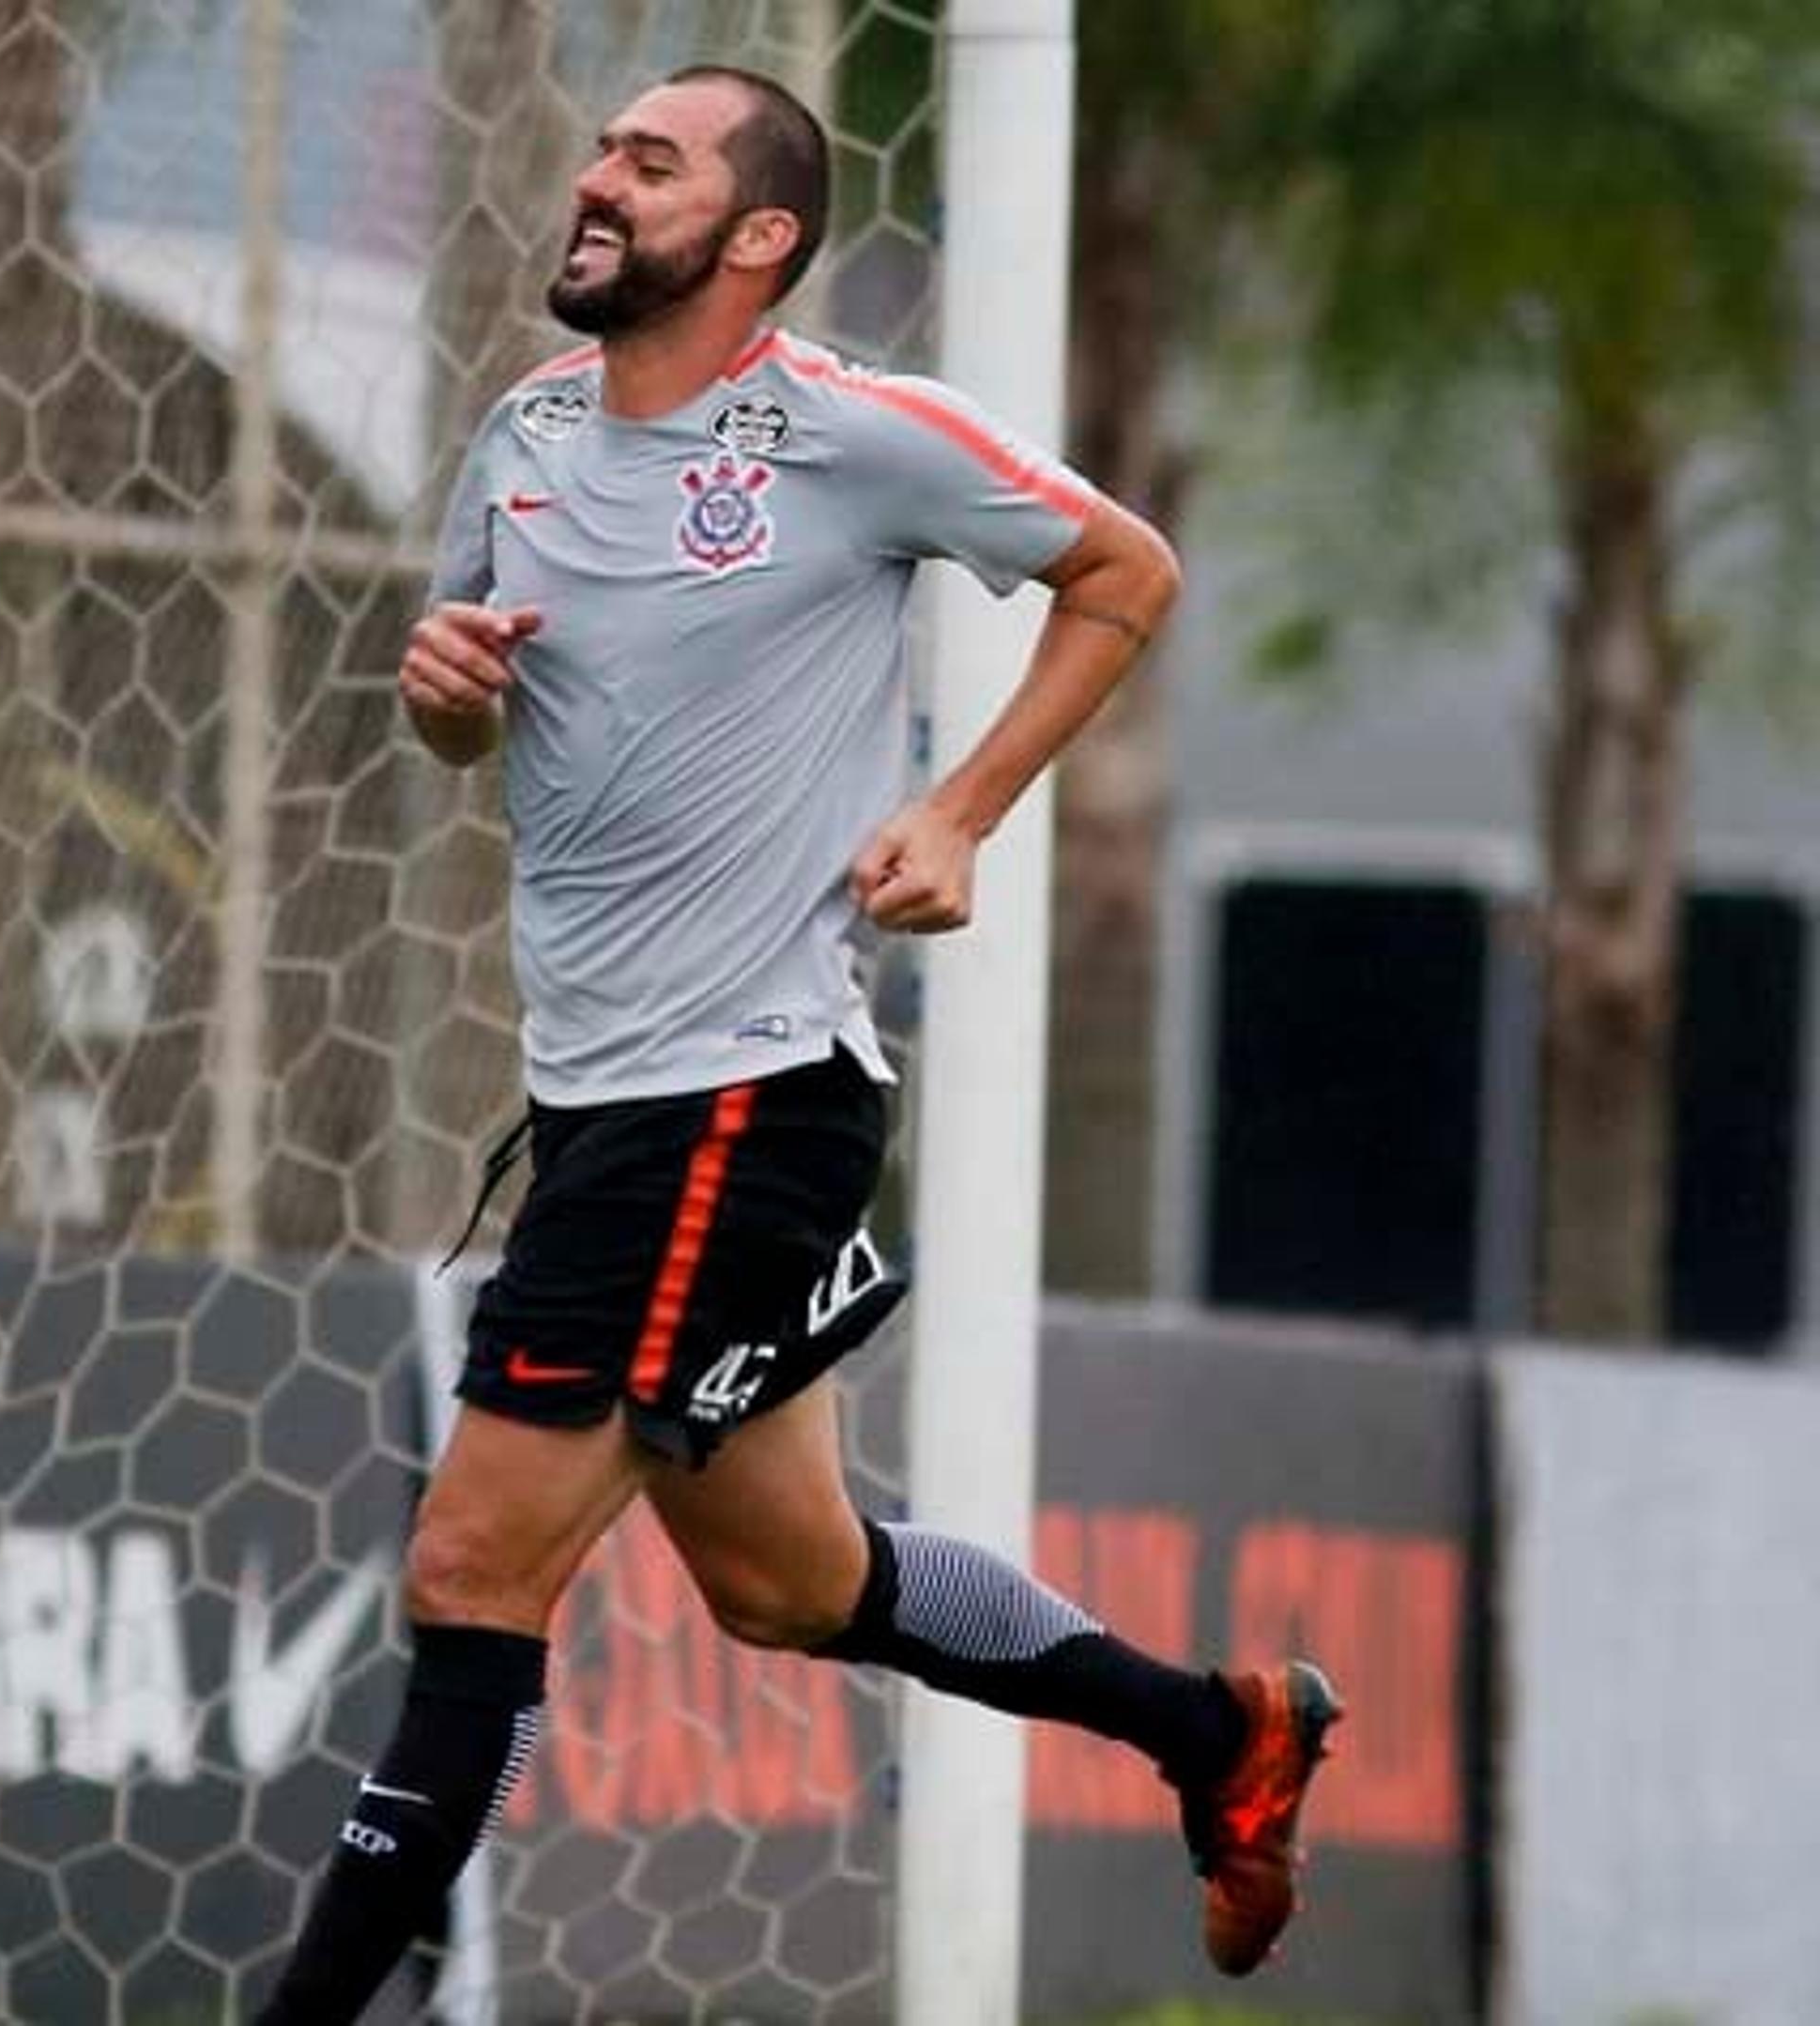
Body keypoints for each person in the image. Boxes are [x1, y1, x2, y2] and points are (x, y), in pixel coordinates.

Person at [254, 64, 1337, 2024]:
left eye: (649, 165)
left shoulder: (850, 435)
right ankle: (1214, 1727)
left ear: (756, 237)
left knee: (478, 1571)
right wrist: (441, 696)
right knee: (788, 1582)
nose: (596, 181)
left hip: (737, 1097)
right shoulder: (517, 437)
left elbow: (1126, 570)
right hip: (601, 1103)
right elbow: (463, 718)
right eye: (601, 149)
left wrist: (962, 809)